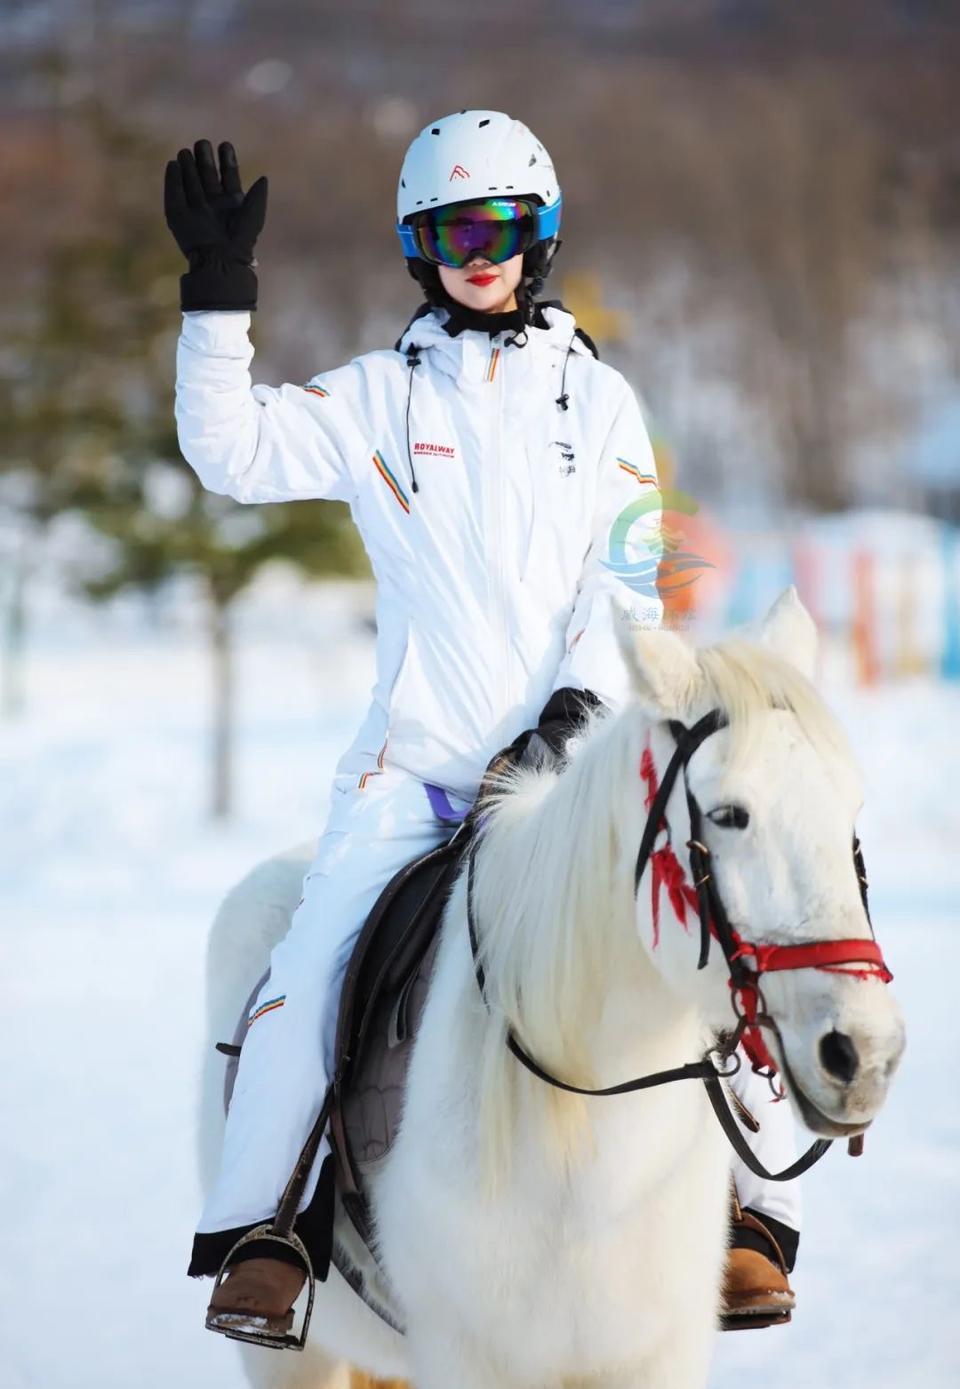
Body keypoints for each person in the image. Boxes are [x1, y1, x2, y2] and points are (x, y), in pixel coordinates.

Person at [164, 110, 800, 1339]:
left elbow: (622, 579)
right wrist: (216, 293)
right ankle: (268, 1234)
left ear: (540, 236)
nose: (479, 250)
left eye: (503, 226)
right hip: (413, 779)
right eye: (453, 228)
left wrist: (571, 717)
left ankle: (747, 1215)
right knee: (309, 969)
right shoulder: (374, 402)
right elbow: (227, 450)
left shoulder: (600, 405)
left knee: (702, 932)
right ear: (419, 245)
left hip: (575, 768)